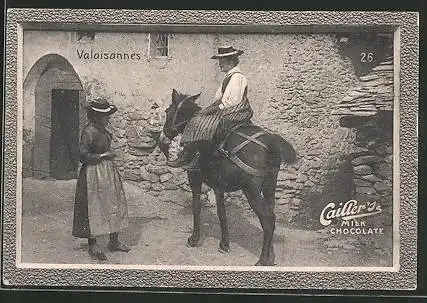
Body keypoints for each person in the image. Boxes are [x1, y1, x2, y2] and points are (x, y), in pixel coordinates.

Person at [167, 46, 253, 169]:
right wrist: (209, 109)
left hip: (237, 110)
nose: (219, 65)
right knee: (198, 118)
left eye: (221, 62)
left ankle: (196, 155)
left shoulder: (238, 77)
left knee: (202, 123)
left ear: (230, 62)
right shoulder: (229, 76)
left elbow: (233, 101)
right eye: (220, 62)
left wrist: (214, 110)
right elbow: (219, 97)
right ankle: (195, 155)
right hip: (227, 108)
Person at [72, 98, 130, 261]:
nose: (109, 118)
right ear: (97, 116)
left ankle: (114, 240)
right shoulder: (89, 131)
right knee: (94, 206)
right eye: (106, 116)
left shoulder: (102, 129)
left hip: (107, 171)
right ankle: (93, 244)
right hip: (93, 173)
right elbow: (83, 155)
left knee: (114, 202)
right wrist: (103, 155)